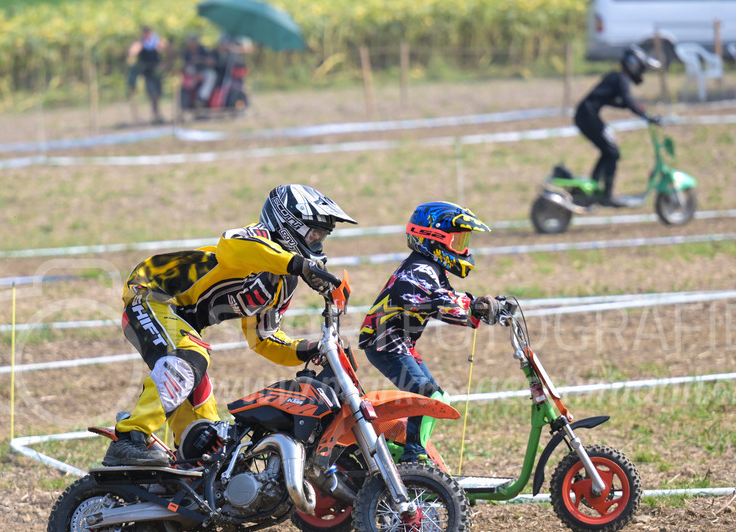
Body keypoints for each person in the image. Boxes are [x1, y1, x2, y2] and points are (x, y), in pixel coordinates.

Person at [104, 184, 357, 467]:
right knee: (191, 354)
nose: (318, 242)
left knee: (209, 442)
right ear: (289, 225)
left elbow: (264, 338)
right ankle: (130, 437)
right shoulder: (255, 238)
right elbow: (232, 248)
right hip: (150, 295)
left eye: (321, 236)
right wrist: (298, 264)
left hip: (181, 323)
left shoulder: (284, 281)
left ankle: (174, 483)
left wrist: (312, 349)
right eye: (313, 234)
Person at [358, 201, 502, 463]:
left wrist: (478, 310)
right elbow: (440, 300)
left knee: (437, 396)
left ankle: (406, 445)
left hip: (399, 342)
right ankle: (413, 455)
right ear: (433, 240)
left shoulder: (430, 268)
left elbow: (441, 307)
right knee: (425, 394)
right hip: (385, 343)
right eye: (456, 242)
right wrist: (474, 305)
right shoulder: (418, 270)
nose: (463, 249)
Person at [573, 45, 661, 207]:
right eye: (641, 69)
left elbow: (611, 100)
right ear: (633, 65)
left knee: (609, 152)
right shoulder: (622, 79)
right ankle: (606, 196)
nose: (642, 73)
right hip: (587, 116)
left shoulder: (618, 78)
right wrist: (646, 117)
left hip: (585, 115)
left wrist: (636, 108)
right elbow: (626, 101)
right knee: (612, 152)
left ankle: (593, 190)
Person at [126, 26, 172, 124]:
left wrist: (164, 65)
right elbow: (131, 52)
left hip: (157, 72)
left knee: (158, 95)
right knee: (153, 95)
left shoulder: (157, 42)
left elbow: (170, 52)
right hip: (147, 73)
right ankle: (156, 115)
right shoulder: (141, 43)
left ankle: (157, 115)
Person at [180, 33, 218, 111]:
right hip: (192, 75)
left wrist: (200, 59)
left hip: (203, 72)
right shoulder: (186, 53)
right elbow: (184, 66)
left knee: (211, 75)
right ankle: (187, 102)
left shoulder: (203, 50)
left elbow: (211, 61)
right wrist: (192, 62)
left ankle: (202, 98)